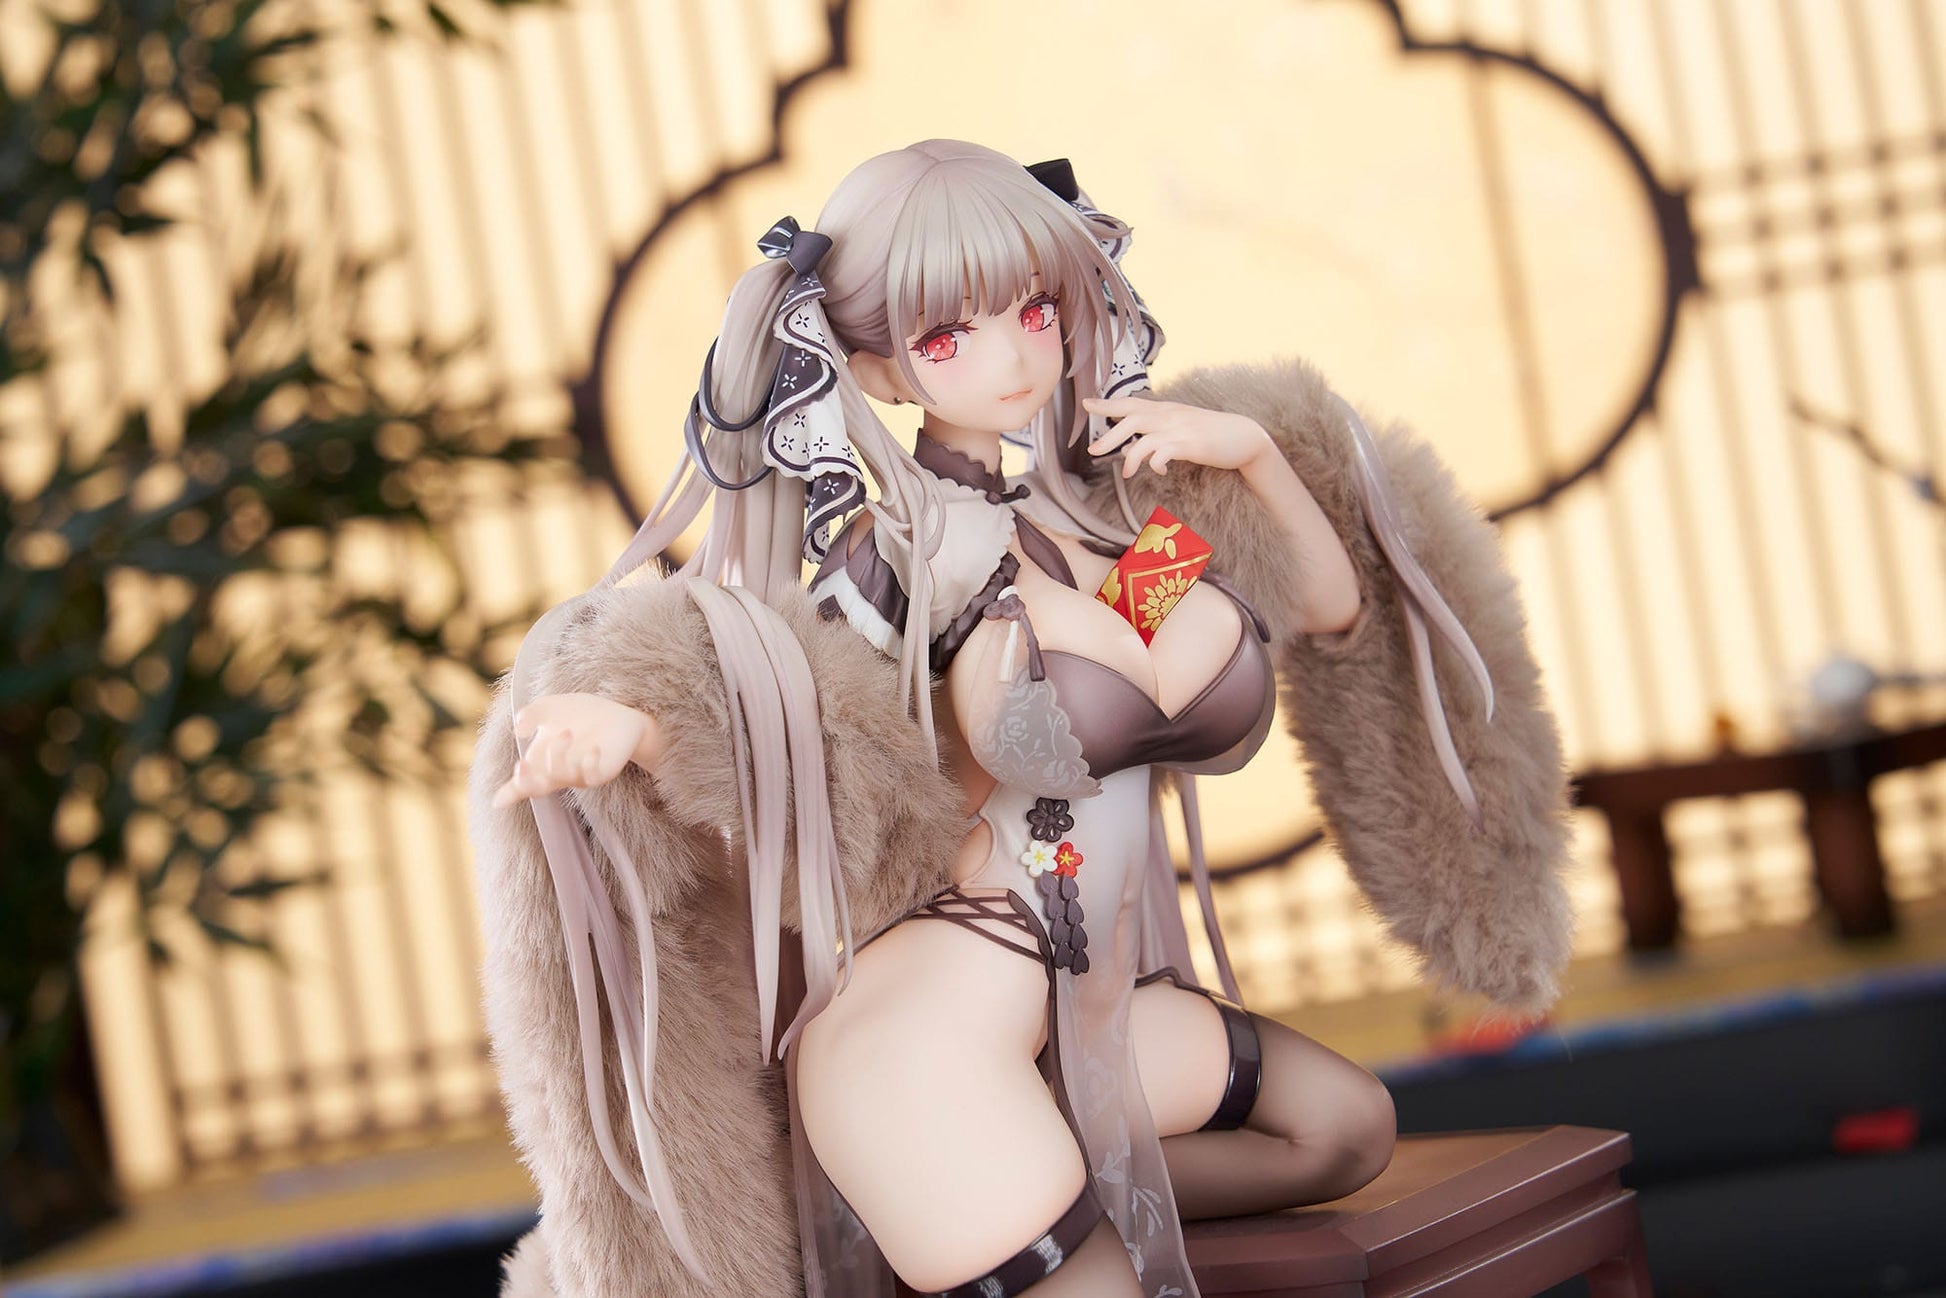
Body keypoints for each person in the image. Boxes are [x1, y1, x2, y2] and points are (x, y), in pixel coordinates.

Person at [469, 140, 1574, 1298]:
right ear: (880, 370)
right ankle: (965, 1187)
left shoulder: (1101, 538)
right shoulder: (900, 559)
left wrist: (1248, 451)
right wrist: (642, 730)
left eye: (1033, 310)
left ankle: (1012, 1185)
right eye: (949, 335)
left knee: (1342, 1129)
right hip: (937, 1026)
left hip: (1078, 1008)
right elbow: (804, 730)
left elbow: (1330, 605)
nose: (1009, 354)